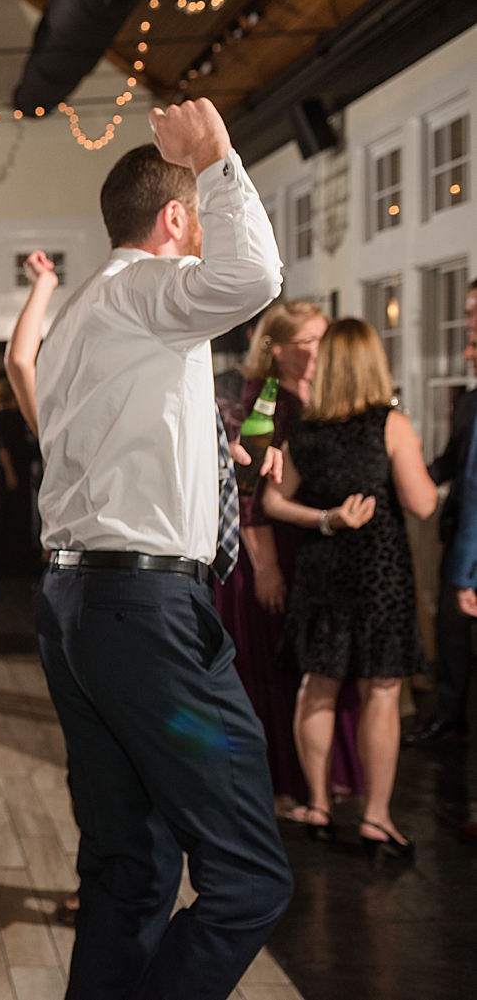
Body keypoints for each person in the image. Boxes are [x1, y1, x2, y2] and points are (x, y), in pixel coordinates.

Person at [33, 100, 293, 1000]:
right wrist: (218, 154)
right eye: (196, 220)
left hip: (77, 608)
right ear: (176, 221)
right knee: (250, 878)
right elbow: (256, 274)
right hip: (141, 617)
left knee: (130, 867)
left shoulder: (78, 319)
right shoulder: (147, 290)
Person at [263, 318, 436, 859]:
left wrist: (326, 519)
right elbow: (423, 503)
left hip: (321, 567)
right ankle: (376, 818)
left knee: (317, 684)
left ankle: (316, 805)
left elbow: (271, 503)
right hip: (380, 571)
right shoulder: (392, 425)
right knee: (380, 692)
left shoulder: (306, 431)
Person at [216, 302, 365, 825]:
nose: (317, 349)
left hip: (310, 548)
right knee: (273, 671)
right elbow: (250, 492)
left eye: (323, 339)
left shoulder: (321, 397)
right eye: (306, 340)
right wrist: (266, 566)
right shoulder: (268, 401)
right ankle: (281, 784)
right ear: (275, 348)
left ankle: (320, 778)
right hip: (270, 550)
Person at [407, 276, 477, 746]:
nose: (468, 326)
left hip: (470, 554)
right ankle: (449, 720)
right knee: (452, 642)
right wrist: (404, 475)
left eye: (475, 313)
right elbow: (453, 464)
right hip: (459, 540)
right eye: (468, 312)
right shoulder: (469, 401)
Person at [0, 378, 41, 576]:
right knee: (13, 516)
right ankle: (14, 565)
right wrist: (10, 473)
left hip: (10, 473)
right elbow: (2, 448)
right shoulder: (6, 417)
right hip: (11, 474)